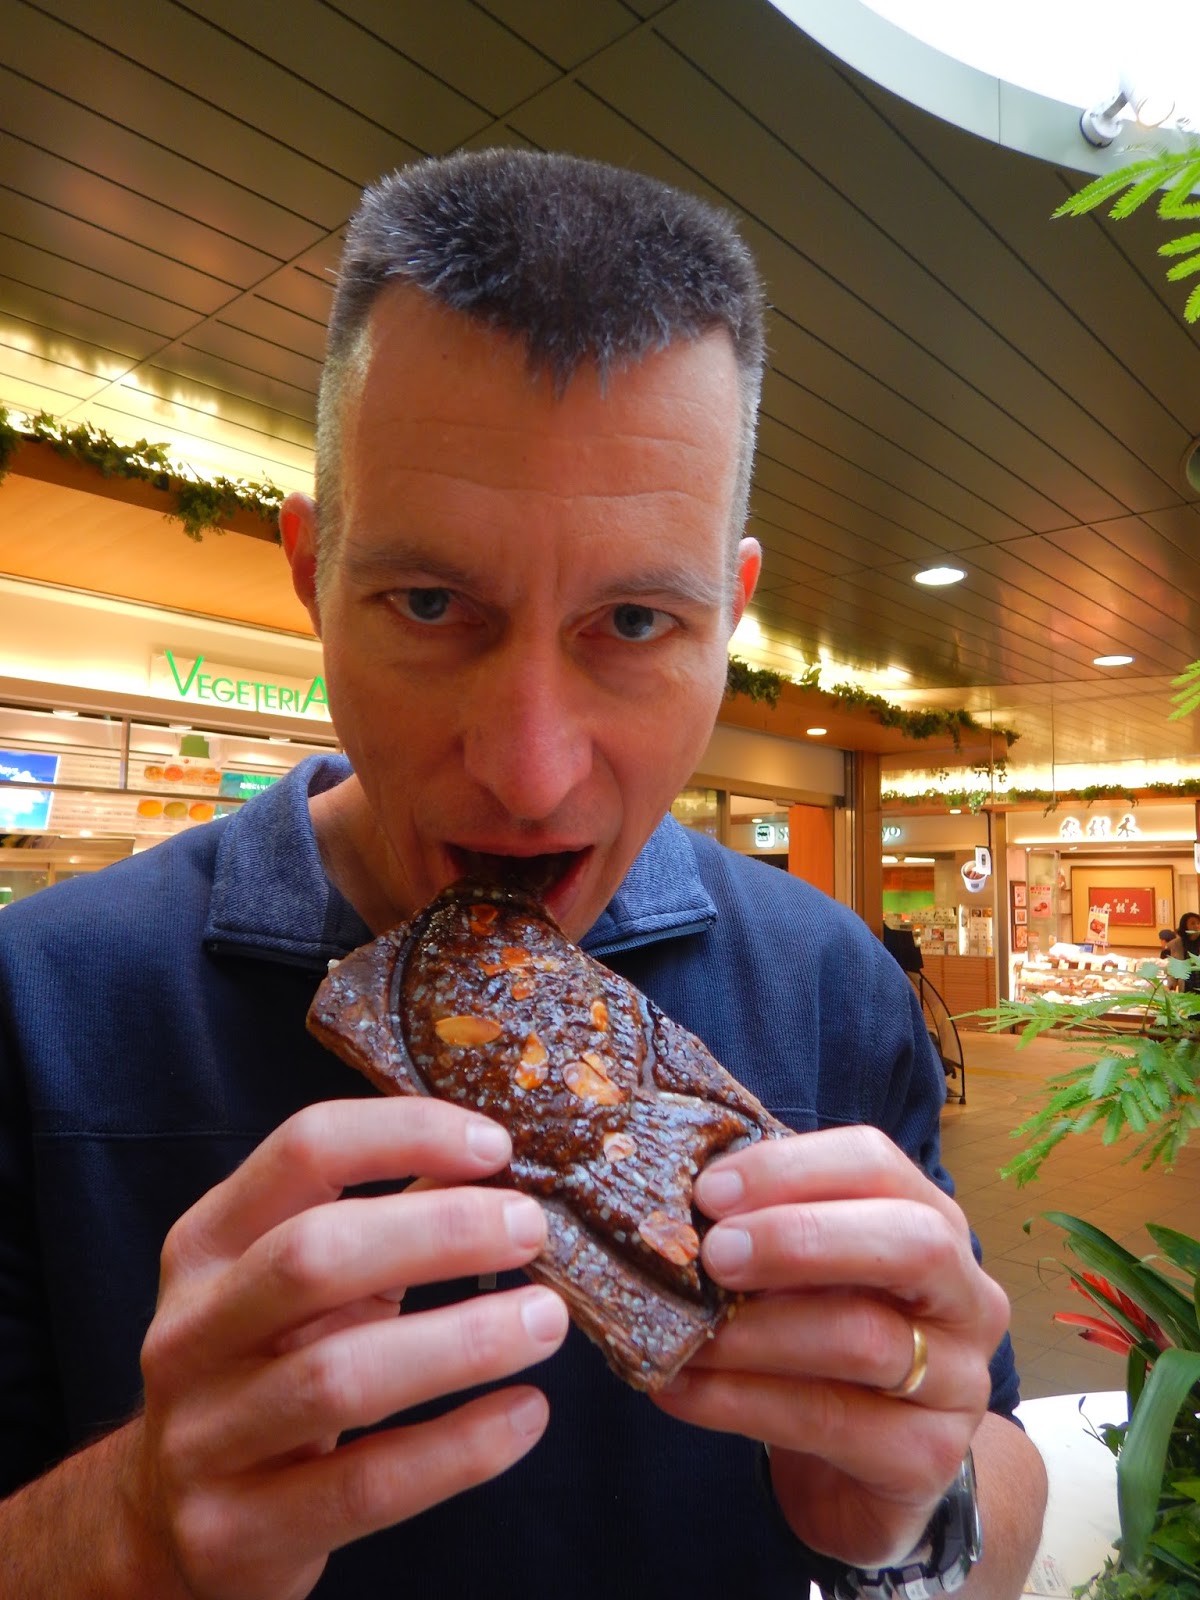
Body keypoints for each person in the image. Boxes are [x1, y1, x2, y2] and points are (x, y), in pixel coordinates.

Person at [0, 149, 1045, 1598]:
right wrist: (128, 1527)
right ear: (311, 570)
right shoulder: (38, 1003)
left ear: (730, 617)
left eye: (635, 620)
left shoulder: (830, 987)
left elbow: (997, 1458)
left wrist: (913, 1512)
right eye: (431, 602)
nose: (531, 771)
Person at [1166, 912, 1200, 989]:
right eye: (1193, 923)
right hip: (1187, 986)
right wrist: (1171, 984)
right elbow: (1174, 966)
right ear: (1185, 926)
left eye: (1198, 923)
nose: (1197, 926)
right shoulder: (1177, 944)